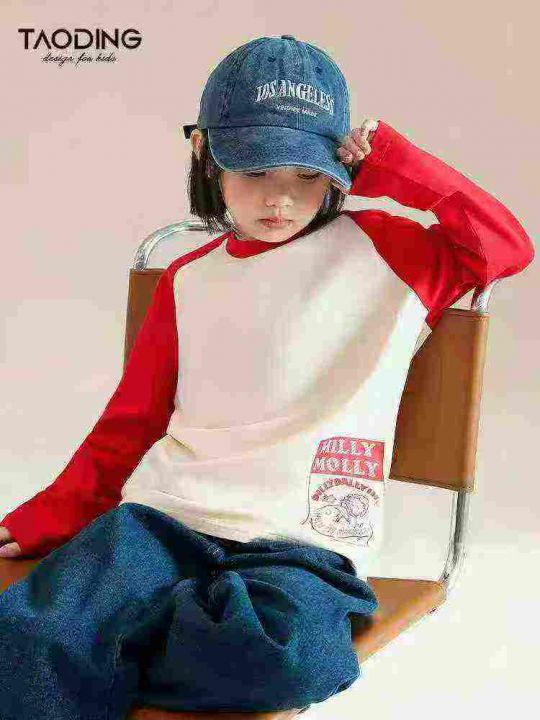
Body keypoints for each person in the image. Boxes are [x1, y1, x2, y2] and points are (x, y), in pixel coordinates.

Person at [0, 34, 534, 720]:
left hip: (301, 545)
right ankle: (120, 635)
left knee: (284, 655)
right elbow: (131, 423)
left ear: (340, 170)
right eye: (255, 170)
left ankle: (115, 645)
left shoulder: (394, 254)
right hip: (163, 520)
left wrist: (397, 167)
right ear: (206, 156)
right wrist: (52, 515)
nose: (280, 199)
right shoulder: (188, 279)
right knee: (23, 636)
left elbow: (507, 246)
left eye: (306, 174)